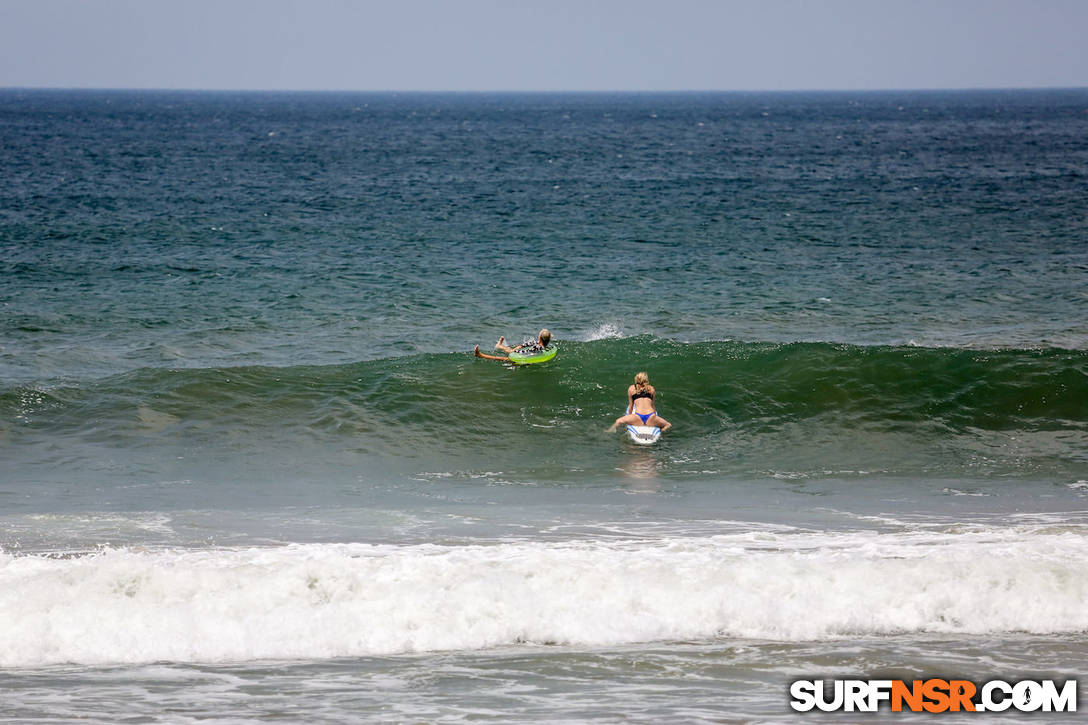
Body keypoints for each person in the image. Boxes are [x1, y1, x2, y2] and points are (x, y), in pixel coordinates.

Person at [474, 328, 552, 362]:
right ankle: (481, 354)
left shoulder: (535, 343)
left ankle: (498, 347)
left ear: (539, 337)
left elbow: (522, 346)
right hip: (522, 358)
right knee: (505, 356)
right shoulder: (540, 347)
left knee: (507, 354)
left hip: (521, 357)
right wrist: (515, 354)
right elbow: (528, 354)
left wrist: (515, 351)